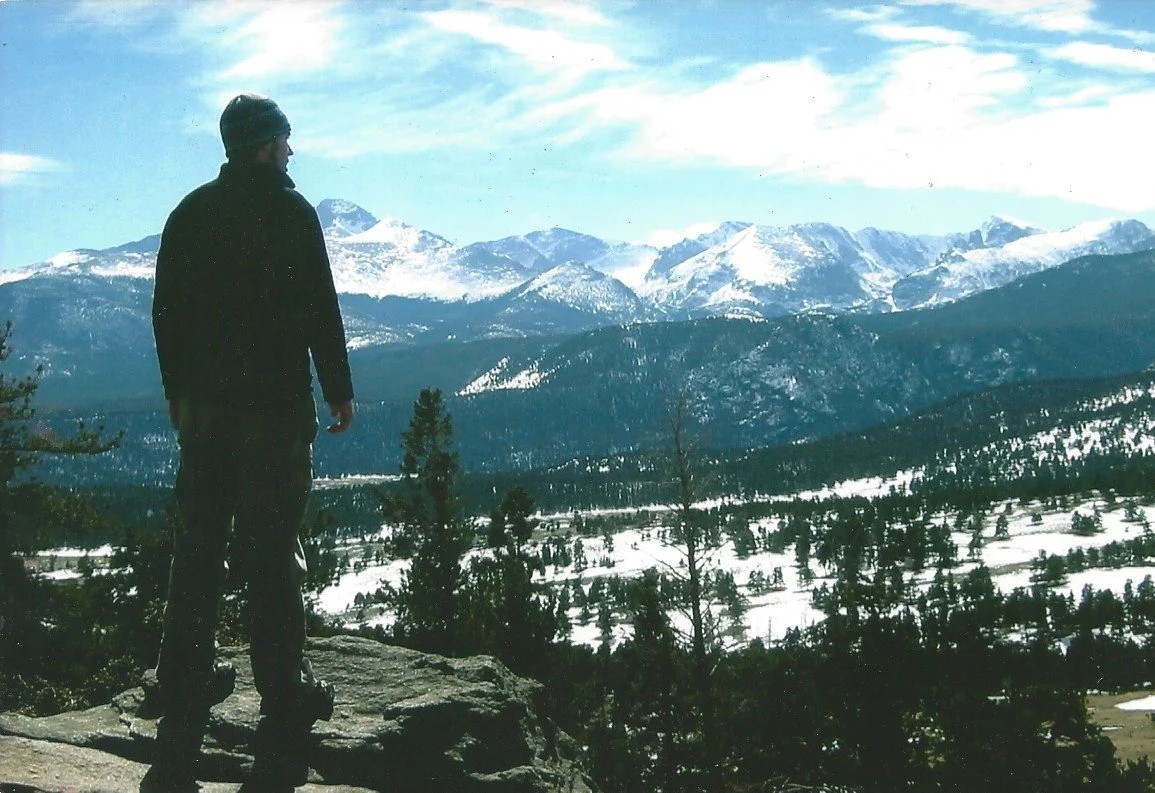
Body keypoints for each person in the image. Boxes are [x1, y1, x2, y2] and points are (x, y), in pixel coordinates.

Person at [144, 93, 355, 792]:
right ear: (264, 145)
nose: (292, 152)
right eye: (285, 141)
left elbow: (165, 312)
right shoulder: (293, 215)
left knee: (197, 550)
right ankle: (283, 695)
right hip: (275, 414)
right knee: (272, 554)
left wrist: (179, 390)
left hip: (206, 418)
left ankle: (184, 687)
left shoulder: (190, 213)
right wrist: (338, 390)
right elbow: (320, 306)